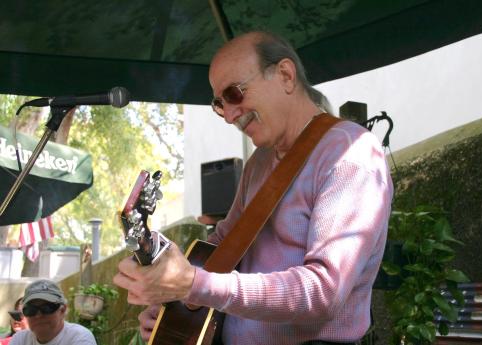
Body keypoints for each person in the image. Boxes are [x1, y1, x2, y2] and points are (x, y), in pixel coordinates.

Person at [113, 31, 393, 345]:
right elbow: (219, 251)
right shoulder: (259, 163)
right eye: (219, 105)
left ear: (285, 75)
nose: (229, 115)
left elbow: (324, 292)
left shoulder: (349, 153)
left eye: (234, 94)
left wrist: (193, 283)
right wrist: (171, 301)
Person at [9, 279, 97, 345]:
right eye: (31, 310)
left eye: (47, 308)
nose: (38, 315)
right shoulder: (20, 339)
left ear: (62, 310)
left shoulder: (79, 337)